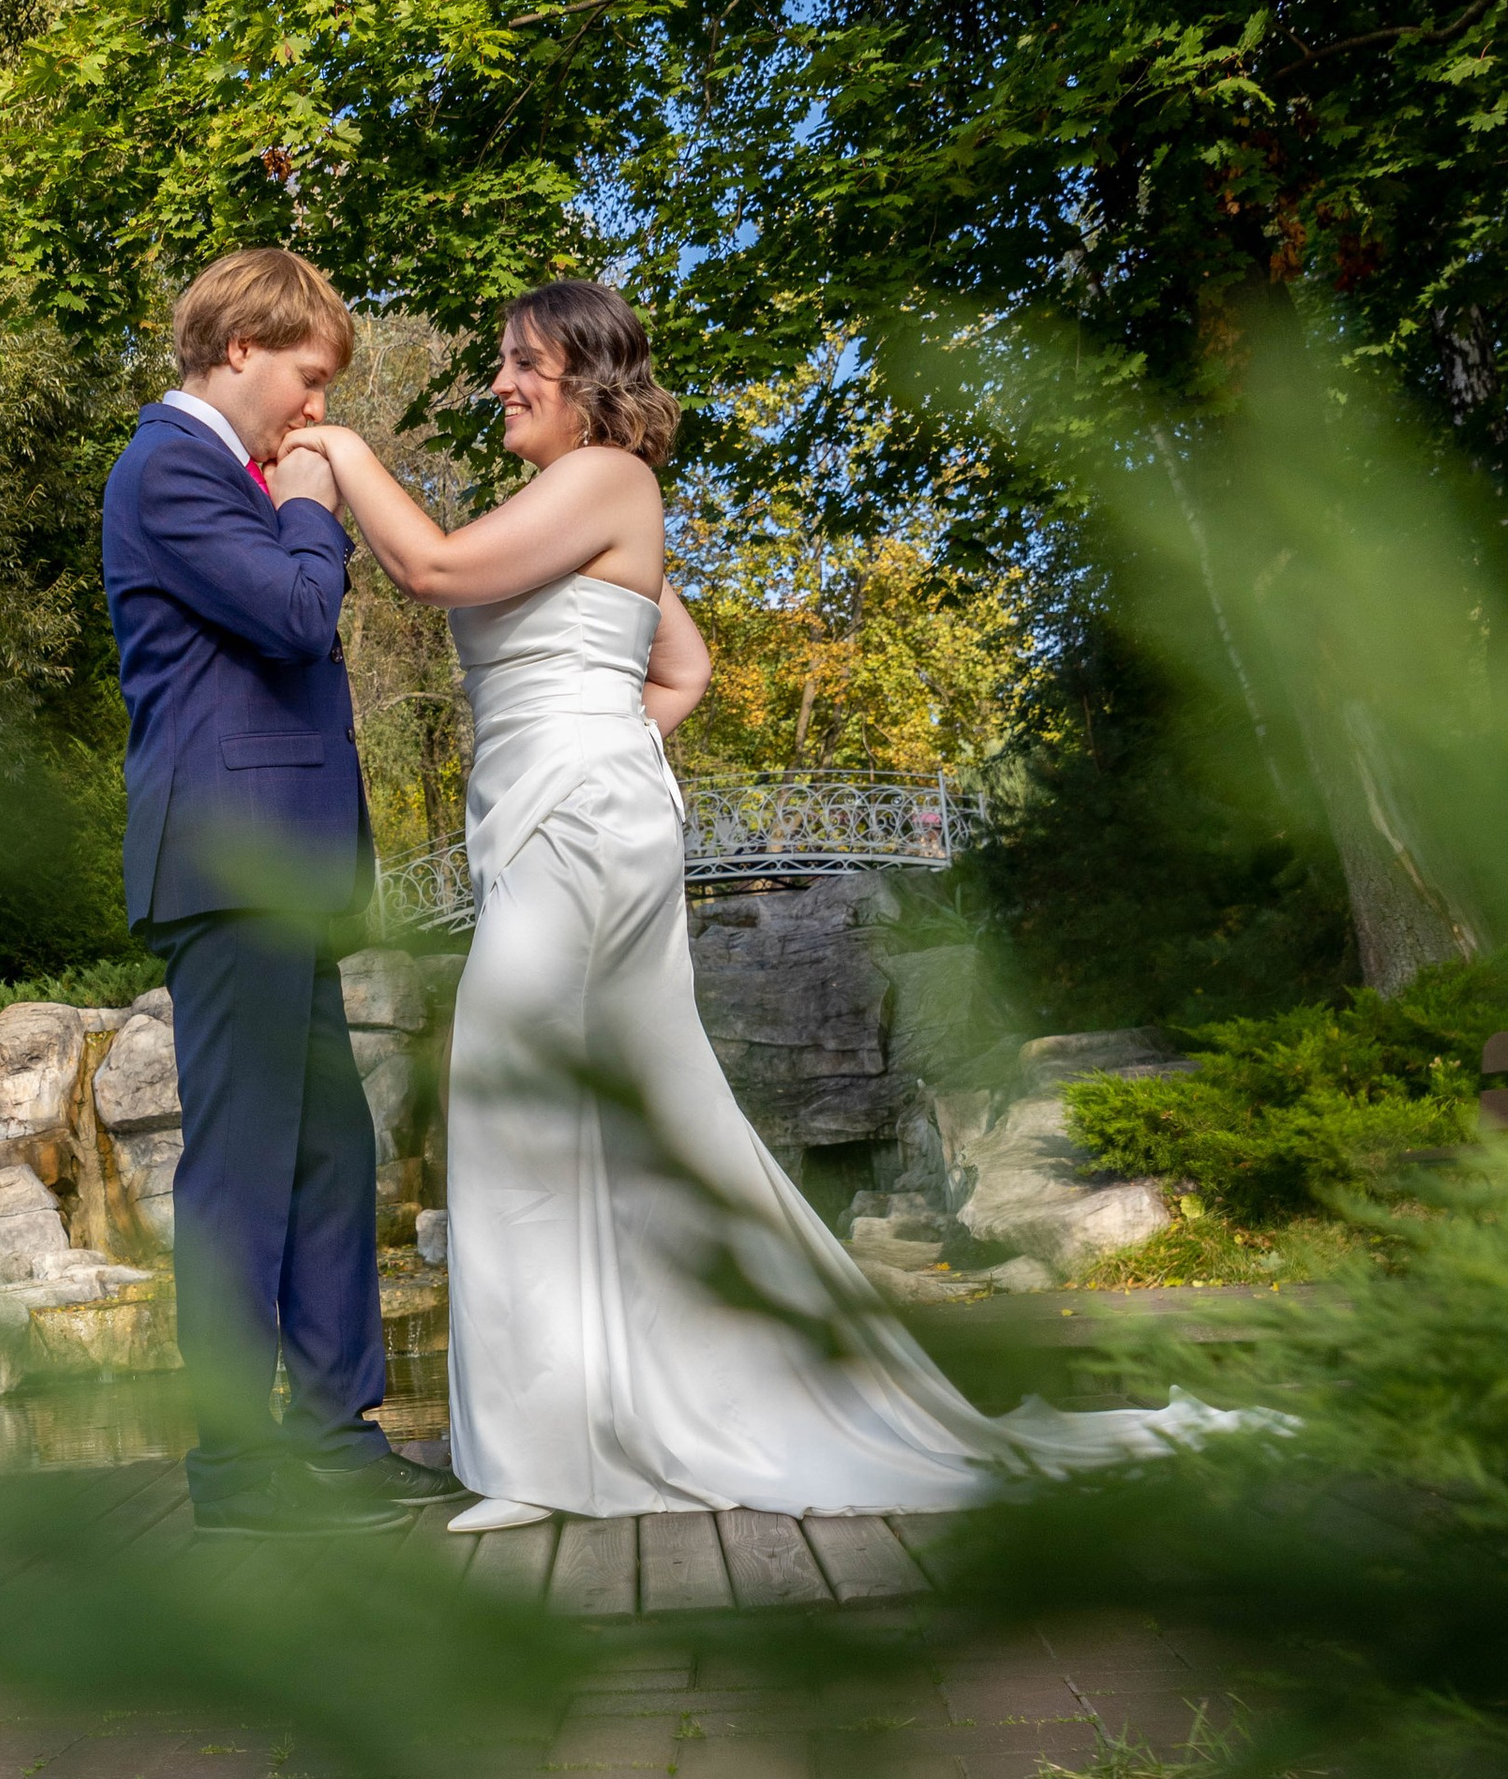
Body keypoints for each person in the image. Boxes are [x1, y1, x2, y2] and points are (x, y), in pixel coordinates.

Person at [311, 279, 1240, 1529]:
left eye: (517, 362)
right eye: (497, 365)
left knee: (507, 1088)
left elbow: (426, 567)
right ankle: (583, 1429)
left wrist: (342, 448)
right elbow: (682, 669)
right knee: (624, 1116)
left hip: (578, 823)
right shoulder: (571, 499)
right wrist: (603, 747)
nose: (496, 385)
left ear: (586, 374)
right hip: (574, 815)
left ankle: (545, 1461)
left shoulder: (605, 478)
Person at [102, 246, 460, 1534]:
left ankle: (335, 1440)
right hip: (228, 859)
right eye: (308, 380)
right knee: (246, 1166)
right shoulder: (171, 467)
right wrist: (311, 498)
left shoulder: (214, 468)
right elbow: (297, 616)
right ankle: (238, 1469)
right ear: (242, 348)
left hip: (278, 865)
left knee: (326, 1153)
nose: (315, 409)